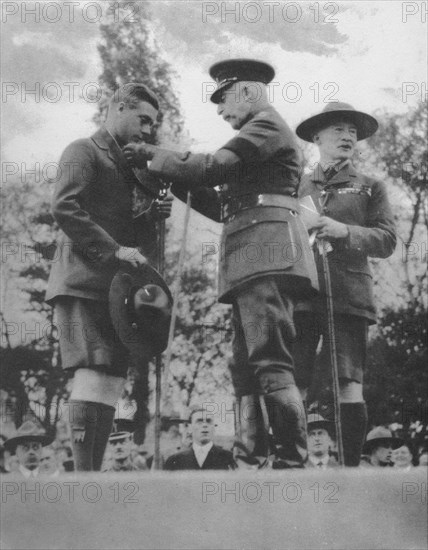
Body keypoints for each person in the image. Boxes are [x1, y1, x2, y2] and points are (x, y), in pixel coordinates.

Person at [124, 59, 318, 468]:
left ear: (248, 92)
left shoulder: (266, 126)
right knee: (245, 366)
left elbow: (213, 168)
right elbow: (222, 205)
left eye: (224, 97)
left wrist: (156, 156)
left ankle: (290, 463)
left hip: (267, 253)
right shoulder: (259, 137)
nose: (220, 108)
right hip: (252, 256)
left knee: (270, 360)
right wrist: (173, 176)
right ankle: (253, 458)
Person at [46, 83, 172, 471]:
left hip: (115, 291)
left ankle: (92, 477)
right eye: (143, 119)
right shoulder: (83, 150)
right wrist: (114, 250)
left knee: (111, 379)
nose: (149, 130)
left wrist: (152, 217)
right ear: (118, 107)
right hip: (81, 281)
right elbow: (65, 207)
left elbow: (126, 233)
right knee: (91, 371)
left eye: (153, 124)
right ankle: (85, 481)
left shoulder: (130, 168)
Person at [293, 103, 397, 467]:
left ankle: (350, 468)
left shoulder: (370, 187)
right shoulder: (298, 184)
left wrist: (345, 231)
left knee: (348, 382)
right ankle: (292, 464)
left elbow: (386, 240)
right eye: (338, 129)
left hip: (350, 295)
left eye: (352, 131)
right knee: (294, 379)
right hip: (302, 295)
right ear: (317, 137)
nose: (347, 136)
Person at [164, 406, 235, 471]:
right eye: (199, 421)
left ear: (214, 428)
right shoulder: (175, 461)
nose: (205, 425)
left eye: (208, 421)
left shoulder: (229, 458)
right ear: (190, 428)